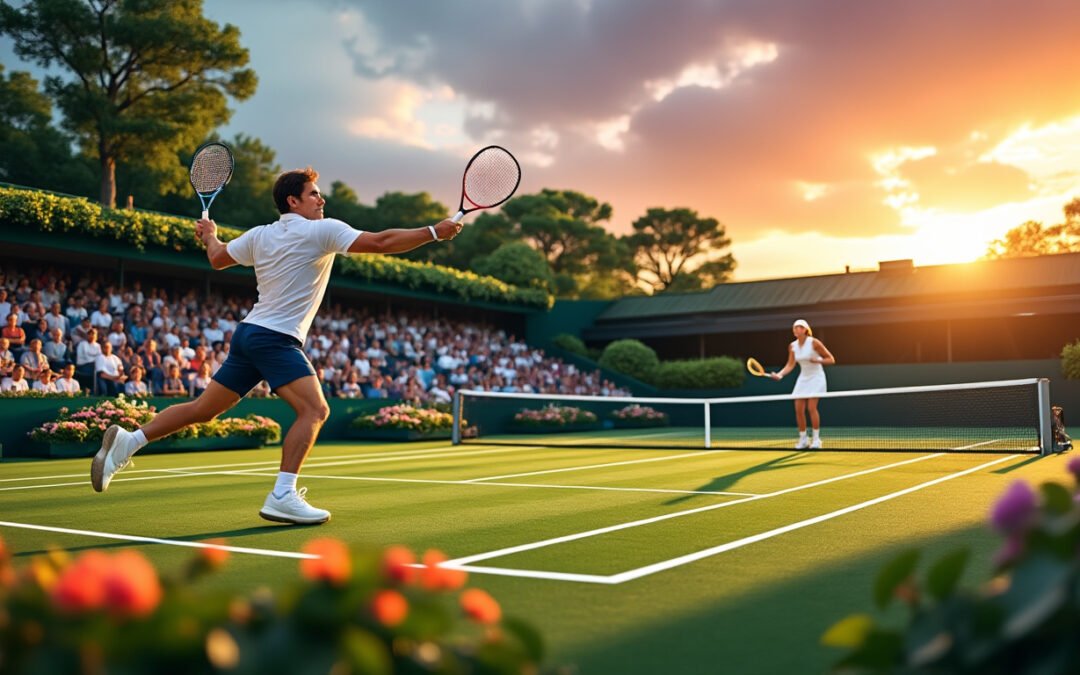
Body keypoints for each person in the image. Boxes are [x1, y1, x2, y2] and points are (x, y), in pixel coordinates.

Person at [90, 167, 463, 525]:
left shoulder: (259, 234)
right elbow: (381, 242)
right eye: (314, 193)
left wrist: (210, 235)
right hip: (275, 338)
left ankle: (128, 441)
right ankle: (283, 496)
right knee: (315, 410)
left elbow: (218, 258)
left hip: (249, 333)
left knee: (204, 409)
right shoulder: (322, 231)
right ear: (293, 201)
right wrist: (434, 231)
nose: (322, 199)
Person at [769, 319, 836, 449]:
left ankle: (816, 440)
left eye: (799, 327)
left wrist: (817, 360)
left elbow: (831, 359)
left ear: (805, 329)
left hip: (817, 377)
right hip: (803, 378)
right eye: (794, 328)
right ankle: (803, 439)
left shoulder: (814, 343)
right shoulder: (792, 346)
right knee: (798, 409)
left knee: (811, 407)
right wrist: (780, 374)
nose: (796, 330)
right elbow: (790, 364)